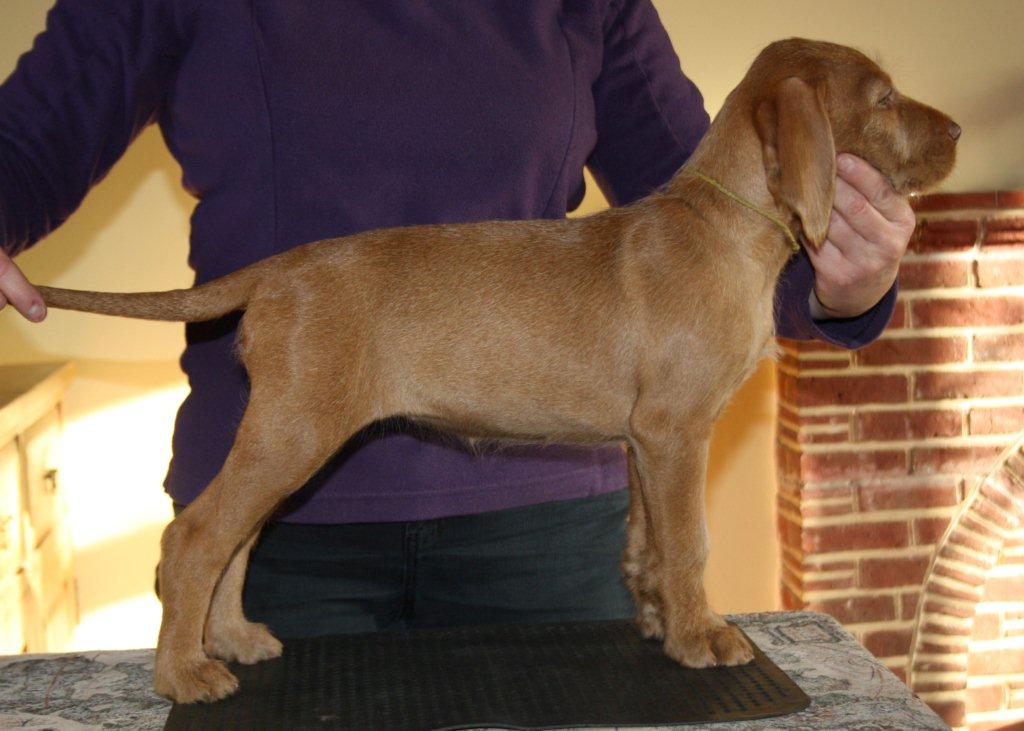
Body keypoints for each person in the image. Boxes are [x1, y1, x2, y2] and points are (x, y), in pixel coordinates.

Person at [0, 1, 915, 639]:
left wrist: (840, 283)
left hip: (547, 536)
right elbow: (30, 138)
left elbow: (707, 213)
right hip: (284, 537)